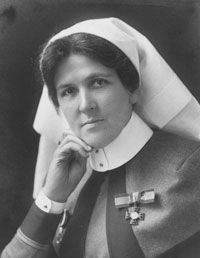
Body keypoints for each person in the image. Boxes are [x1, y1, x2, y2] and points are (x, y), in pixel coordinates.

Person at [2, 17, 200, 258]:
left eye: (98, 83)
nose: (85, 105)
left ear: (132, 90)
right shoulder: (70, 180)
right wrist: (52, 197)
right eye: (69, 91)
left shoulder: (187, 167)